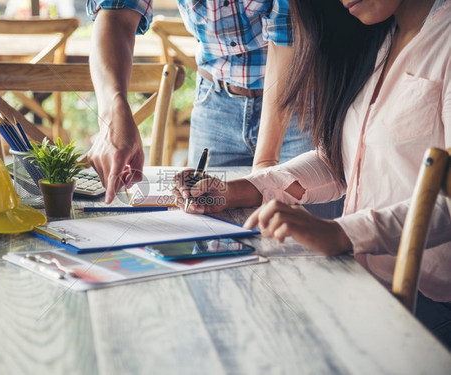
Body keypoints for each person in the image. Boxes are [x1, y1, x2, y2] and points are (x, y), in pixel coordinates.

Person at [173, 0, 451, 349]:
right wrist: (239, 190)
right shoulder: (379, 36)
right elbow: (342, 160)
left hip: (427, 300)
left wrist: (343, 233)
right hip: (362, 280)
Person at [85, 0, 314, 204]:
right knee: (207, 219)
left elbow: (288, 35)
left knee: (306, 234)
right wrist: (113, 111)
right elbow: (116, 14)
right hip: (215, 103)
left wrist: (264, 167)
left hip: (300, 100)